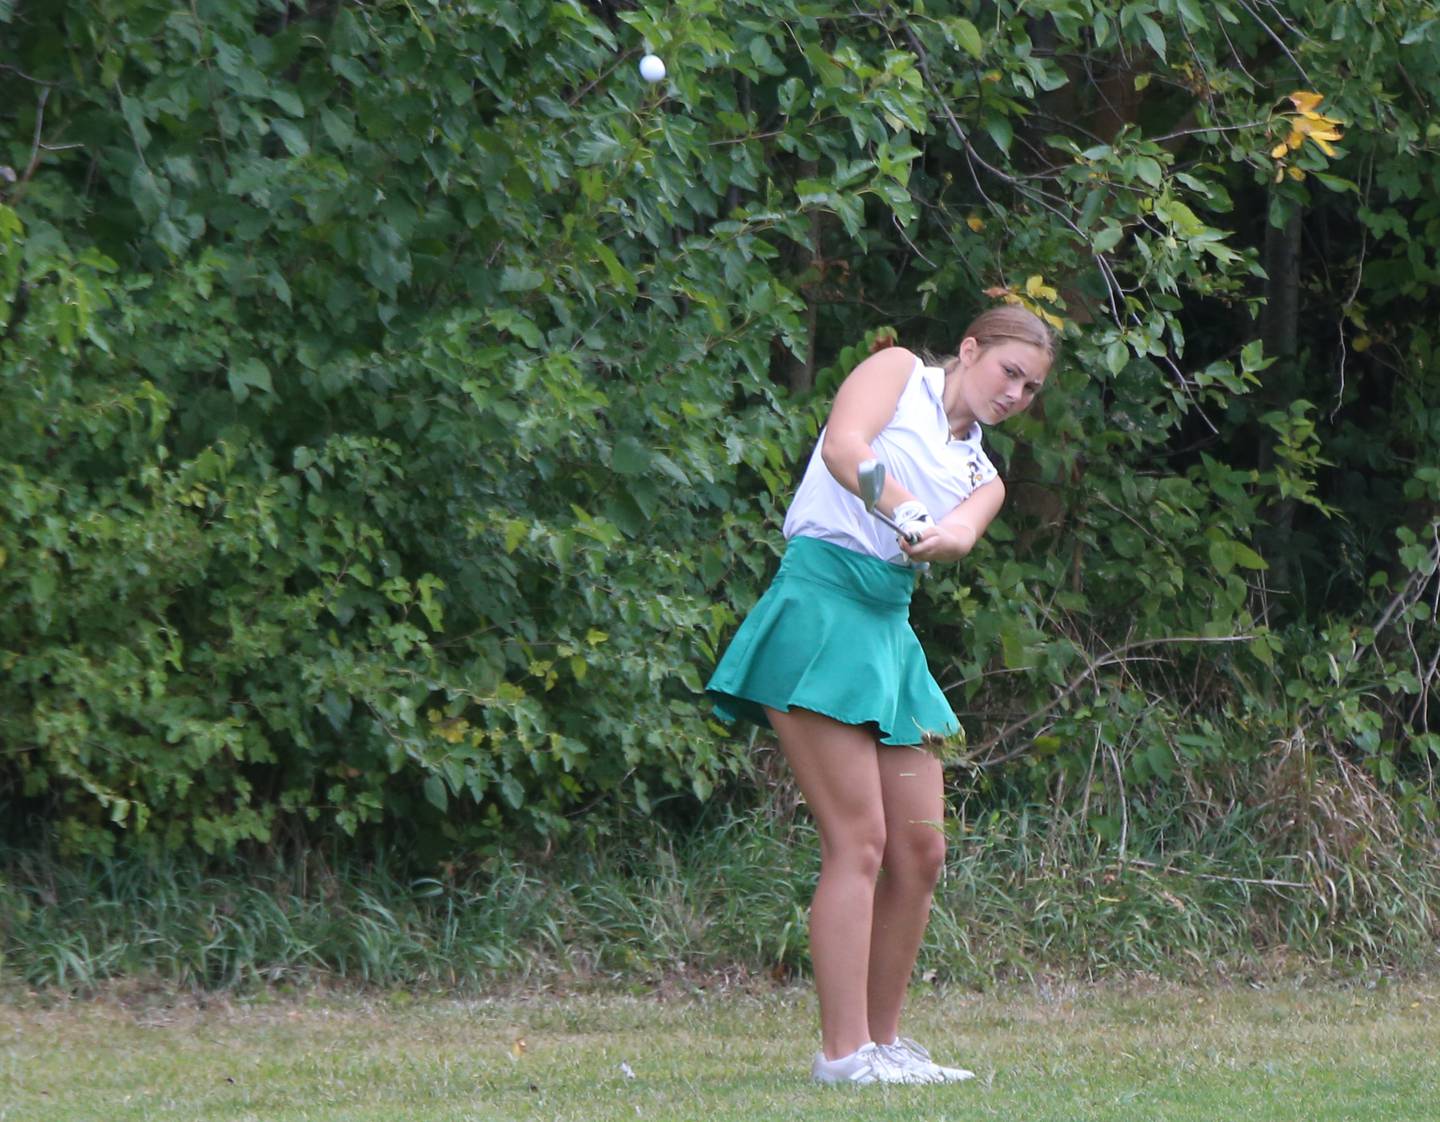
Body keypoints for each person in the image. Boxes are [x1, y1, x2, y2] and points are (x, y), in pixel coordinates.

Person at [706, 306, 1056, 1085]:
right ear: (970, 350)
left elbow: (962, 534)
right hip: (820, 605)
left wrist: (938, 535)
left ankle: (884, 1044)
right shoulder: (897, 372)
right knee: (858, 843)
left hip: (887, 630)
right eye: (1008, 372)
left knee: (920, 848)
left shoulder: (984, 474)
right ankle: (843, 1055)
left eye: (1031, 387)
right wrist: (902, 509)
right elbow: (844, 447)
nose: (1016, 393)